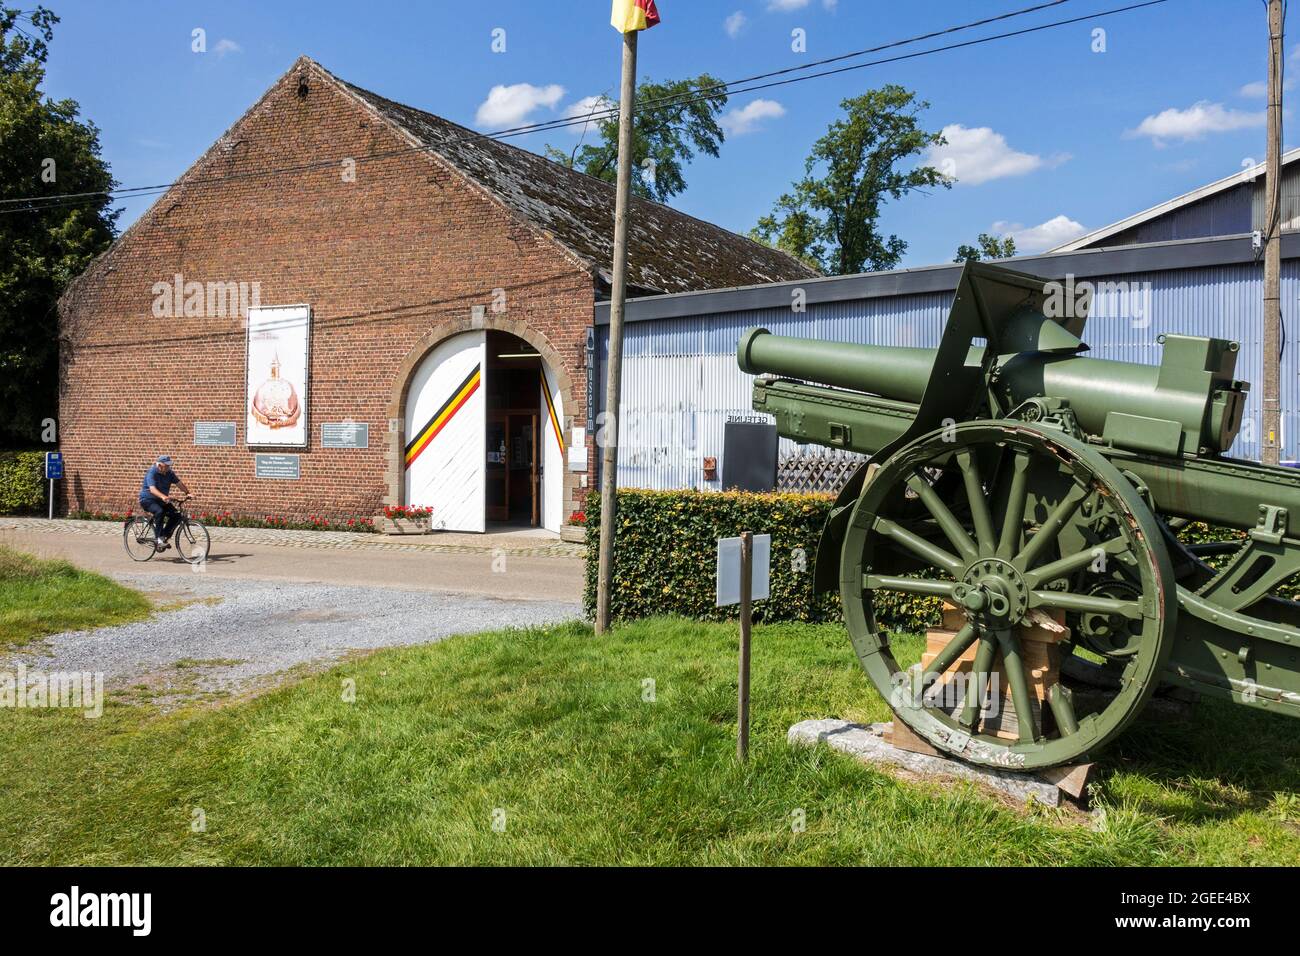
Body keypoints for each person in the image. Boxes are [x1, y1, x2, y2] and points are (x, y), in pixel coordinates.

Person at [138, 455, 191, 552]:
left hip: (161, 500)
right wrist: (163, 496)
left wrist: (188, 493)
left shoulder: (169, 473)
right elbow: (152, 489)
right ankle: (159, 539)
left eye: (169, 466)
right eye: (166, 465)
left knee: (176, 515)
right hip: (147, 500)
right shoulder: (152, 472)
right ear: (159, 465)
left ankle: (164, 536)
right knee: (160, 511)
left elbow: (179, 483)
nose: (168, 467)